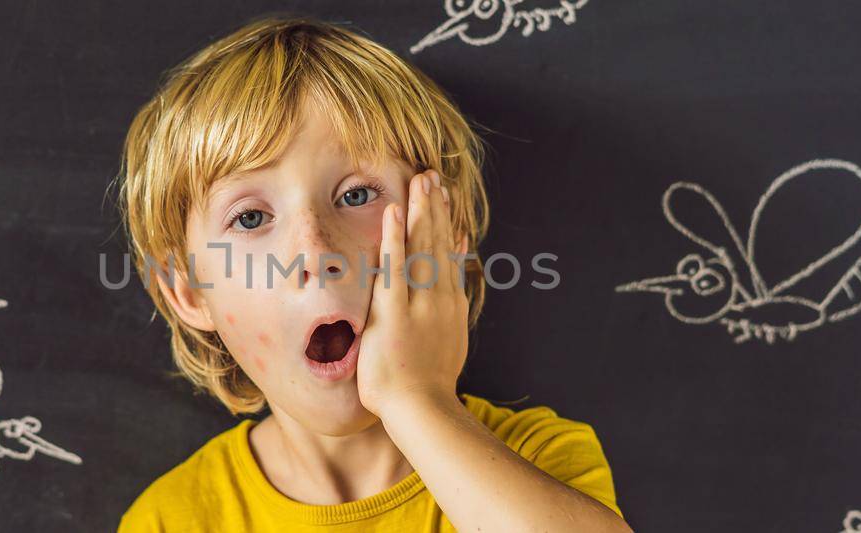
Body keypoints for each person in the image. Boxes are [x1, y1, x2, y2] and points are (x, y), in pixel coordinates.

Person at [113, 15, 631, 532]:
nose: (314, 253)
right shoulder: (172, 520)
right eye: (250, 218)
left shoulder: (540, 460)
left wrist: (415, 401)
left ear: (443, 233)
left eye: (356, 195)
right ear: (189, 290)